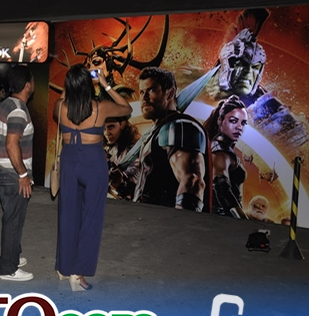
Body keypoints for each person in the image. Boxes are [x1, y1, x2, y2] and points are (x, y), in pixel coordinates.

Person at [53, 64, 132, 291]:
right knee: (91, 218)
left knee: (68, 215)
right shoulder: (100, 107)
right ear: (89, 85)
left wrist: (69, 85)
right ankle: (78, 274)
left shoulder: (60, 107)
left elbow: (63, 99)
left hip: (69, 161)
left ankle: (64, 267)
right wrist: (105, 84)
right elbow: (126, 108)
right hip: (93, 163)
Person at [133, 67, 210, 212]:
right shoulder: (157, 132)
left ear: (170, 92)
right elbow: (150, 191)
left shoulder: (178, 127)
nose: (144, 98)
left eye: (151, 90)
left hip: (163, 223)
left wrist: (178, 223)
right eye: (142, 92)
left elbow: (192, 181)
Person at [0, 65, 36, 282]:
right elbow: (11, 144)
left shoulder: (6, 104)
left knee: (14, 218)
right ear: (28, 85)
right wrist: (22, 174)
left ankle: (13, 255)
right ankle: (8, 268)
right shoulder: (19, 110)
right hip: (12, 174)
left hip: (3, 170)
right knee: (13, 220)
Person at [204, 95, 249, 218]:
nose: (239, 127)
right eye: (233, 121)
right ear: (220, 120)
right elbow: (222, 189)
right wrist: (242, 220)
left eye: (243, 123)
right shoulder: (221, 151)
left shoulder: (221, 147)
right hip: (223, 219)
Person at [103, 116, 141, 200]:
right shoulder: (111, 151)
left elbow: (133, 183)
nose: (107, 133)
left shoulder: (134, 151)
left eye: (111, 127)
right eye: (104, 129)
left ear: (122, 124)